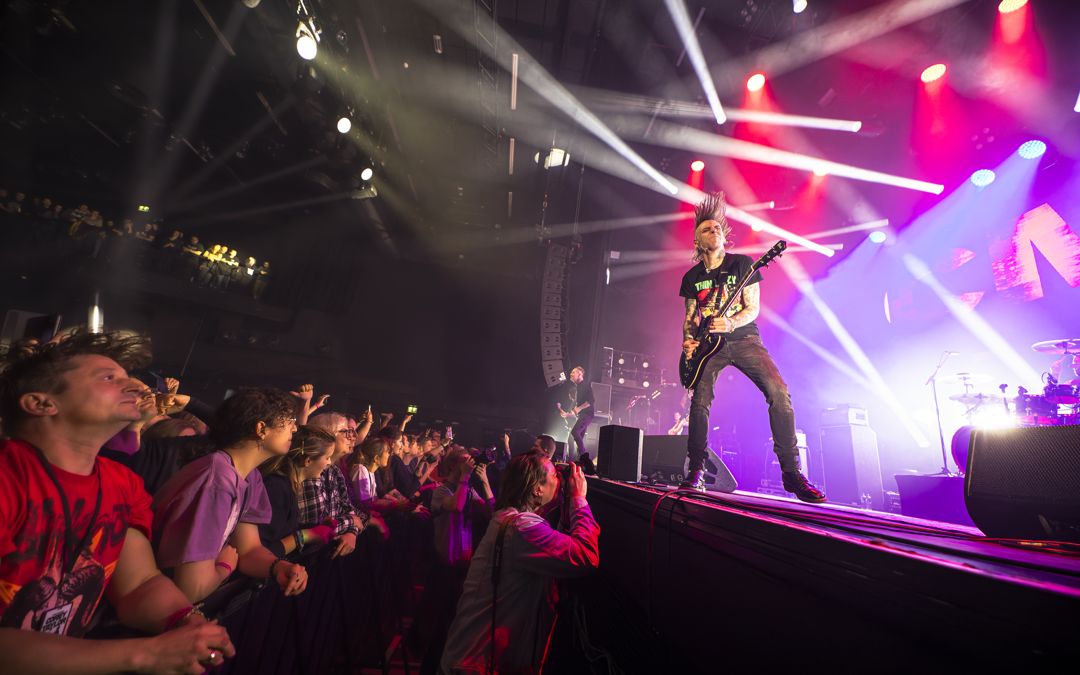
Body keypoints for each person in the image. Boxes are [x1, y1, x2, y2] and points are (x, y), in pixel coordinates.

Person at [0, 332, 236, 672]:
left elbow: (139, 583)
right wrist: (147, 654)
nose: (139, 388)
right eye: (109, 378)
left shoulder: (120, 483)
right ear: (41, 403)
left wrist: (186, 622)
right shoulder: (9, 476)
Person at [678, 192, 825, 503]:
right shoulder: (692, 277)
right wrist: (689, 342)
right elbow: (691, 317)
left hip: (744, 339)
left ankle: (792, 474)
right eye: (707, 229)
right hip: (708, 348)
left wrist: (730, 324)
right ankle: (696, 471)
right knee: (699, 402)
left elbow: (752, 307)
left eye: (717, 227)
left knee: (779, 392)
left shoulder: (742, 264)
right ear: (697, 241)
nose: (715, 230)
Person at [440, 452, 599, 674]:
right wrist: (579, 499)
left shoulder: (512, 519)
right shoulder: (522, 529)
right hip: (474, 666)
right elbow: (584, 556)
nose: (560, 480)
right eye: (554, 475)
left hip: (475, 661)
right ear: (537, 489)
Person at [152, 387, 308, 603]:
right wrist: (225, 566)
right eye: (289, 421)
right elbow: (191, 587)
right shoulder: (216, 480)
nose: (294, 428)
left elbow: (249, 549)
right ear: (261, 429)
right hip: (161, 605)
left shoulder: (250, 476)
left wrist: (278, 567)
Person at [258, 425, 340, 558]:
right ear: (308, 460)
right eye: (327, 457)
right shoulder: (276, 487)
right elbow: (264, 550)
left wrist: (316, 528)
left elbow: (283, 529)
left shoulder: (289, 484)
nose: (329, 463)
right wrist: (307, 535)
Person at [559, 366, 594, 461]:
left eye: (573, 372)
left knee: (574, 432)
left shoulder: (585, 386)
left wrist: (578, 409)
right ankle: (582, 461)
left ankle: (584, 456)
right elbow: (576, 412)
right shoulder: (579, 388)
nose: (571, 374)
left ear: (580, 374)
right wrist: (567, 414)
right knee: (579, 439)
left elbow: (591, 401)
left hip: (587, 415)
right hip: (583, 415)